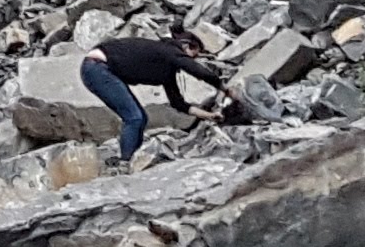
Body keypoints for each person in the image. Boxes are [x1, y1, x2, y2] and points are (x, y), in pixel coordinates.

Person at [82, 27, 248, 165]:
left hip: (99, 69)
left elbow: (178, 103)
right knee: (134, 118)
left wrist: (210, 116)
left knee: (140, 118)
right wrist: (225, 89)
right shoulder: (169, 51)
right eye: (194, 54)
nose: (193, 59)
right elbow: (197, 70)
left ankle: (132, 158)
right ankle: (125, 162)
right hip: (98, 68)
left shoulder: (165, 67)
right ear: (185, 46)